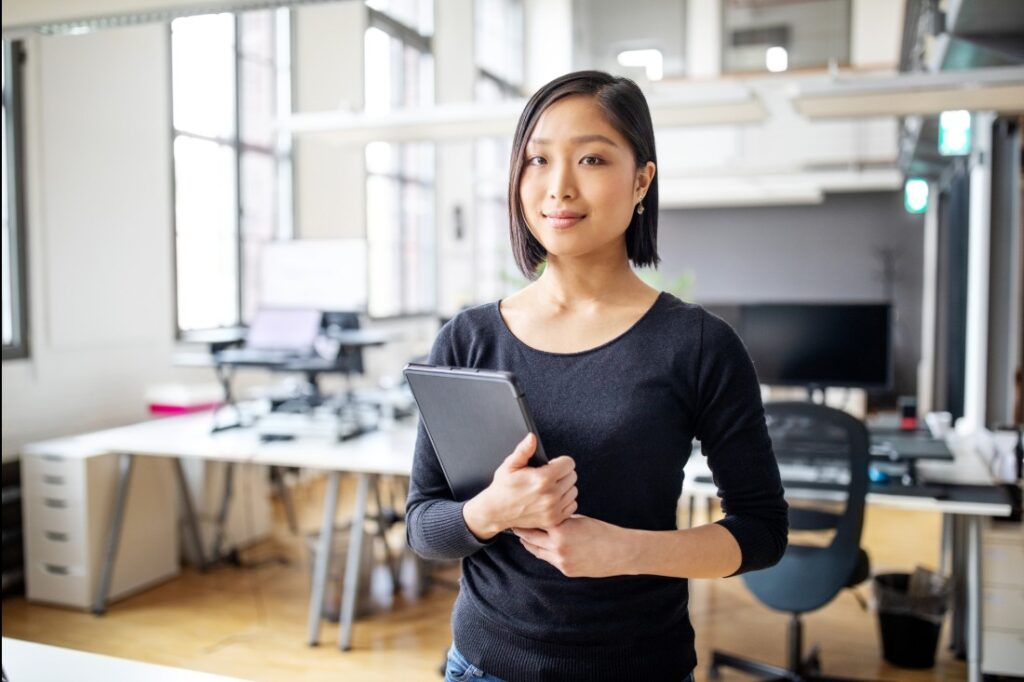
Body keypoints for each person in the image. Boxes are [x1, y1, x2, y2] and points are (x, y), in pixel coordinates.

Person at [406, 70, 788, 682]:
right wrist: (490, 511)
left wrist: (628, 550)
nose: (558, 187)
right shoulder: (469, 339)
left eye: (590, 158)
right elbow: (425, 526)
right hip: (483, 667)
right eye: (537, 160)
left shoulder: (697, 345)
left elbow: (763, 531)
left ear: (642, 180)